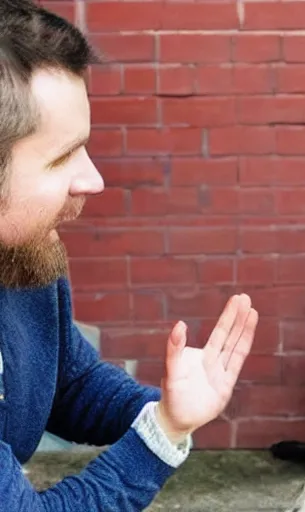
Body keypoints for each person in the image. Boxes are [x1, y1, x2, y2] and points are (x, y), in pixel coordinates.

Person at [0, 1, 259, 510]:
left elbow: (69, 383)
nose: (94, 179)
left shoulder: (24, 258)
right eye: (61, 157)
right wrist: (161, 435)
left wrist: (166, 407)